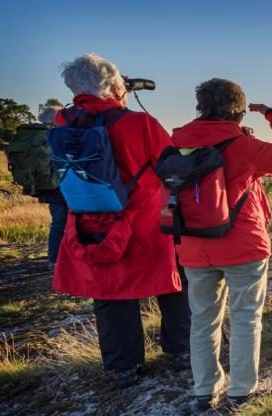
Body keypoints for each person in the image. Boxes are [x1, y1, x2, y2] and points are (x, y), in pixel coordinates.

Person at [51, 52, 191, 388]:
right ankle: (181, 352)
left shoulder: (62, 122)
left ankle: (123, 368)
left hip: (91, 219)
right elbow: (171, 164)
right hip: (143, 221)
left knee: (111, 292)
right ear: (114, 84)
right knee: (172, 282)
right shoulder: (140, 123)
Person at [170, 78, 272, 411]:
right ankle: (243, 390)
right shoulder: (244, 145)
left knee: (203, 319)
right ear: (239, 111)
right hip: (242, 244)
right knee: (246, 318)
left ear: (201, 106)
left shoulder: (176, 141)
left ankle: (205, 390)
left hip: (194, 244)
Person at [35, 105, 67, 270]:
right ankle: (56, 259)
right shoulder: (56, 135)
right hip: (61, 185)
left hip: (49, 186)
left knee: (57, 223)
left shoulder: (37, 137)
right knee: (65, 223)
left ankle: (53, 259)